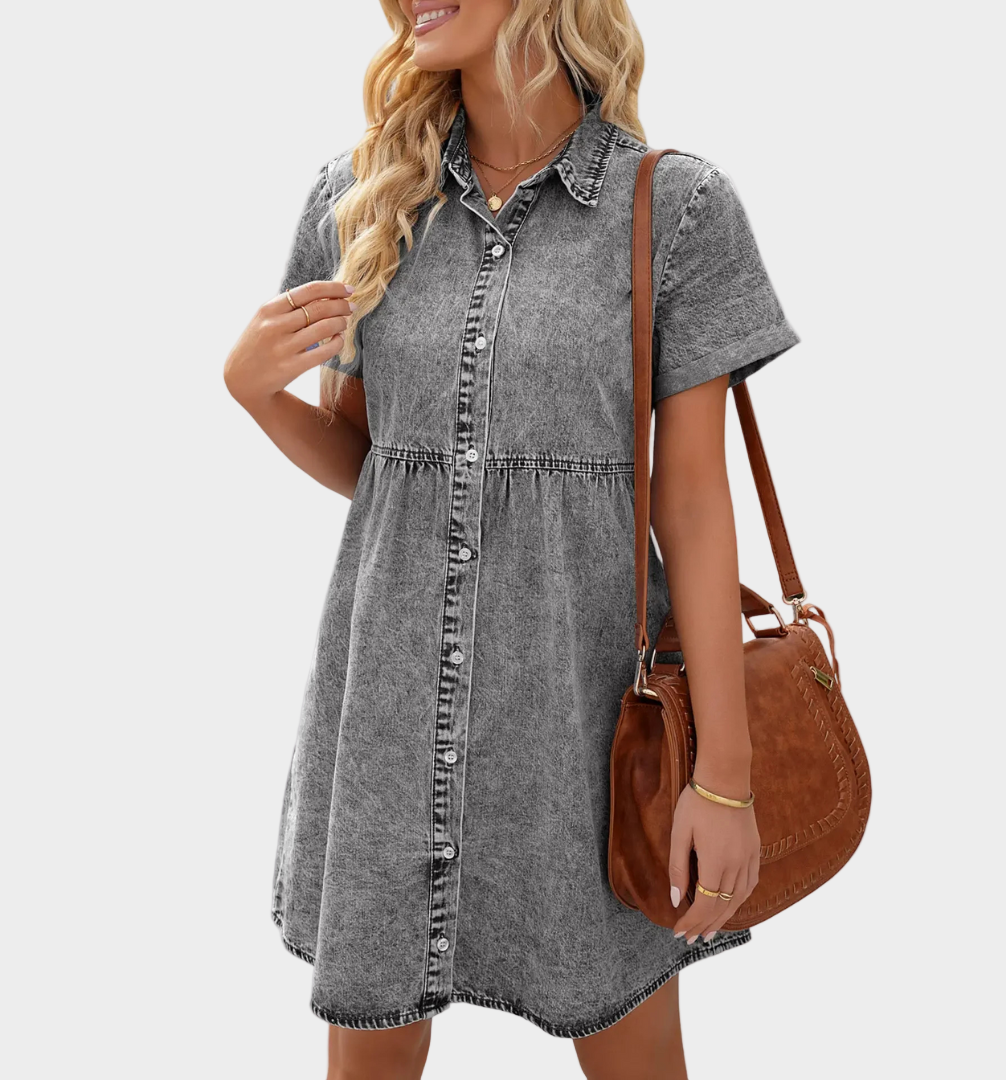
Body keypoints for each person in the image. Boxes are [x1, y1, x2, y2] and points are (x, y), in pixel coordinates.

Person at [224, 1, 800, 1076]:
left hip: (588, 718)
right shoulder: (360, 198)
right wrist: (259, 397)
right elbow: (378, 469)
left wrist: (723, 778)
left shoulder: (673, 208)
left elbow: (692, 506)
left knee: (635, 1055)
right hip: (390, 708)